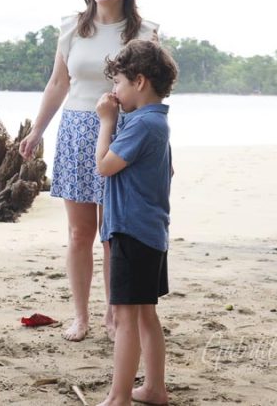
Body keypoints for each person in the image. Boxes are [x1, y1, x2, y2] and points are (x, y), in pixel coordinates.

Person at [19, 0, 159, 341]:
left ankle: (114, 317)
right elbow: (57, 85)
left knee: (114, 232)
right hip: (78, 130)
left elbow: (154, 93)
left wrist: (161, 149)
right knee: (80, 233)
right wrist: (36, 131)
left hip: (125, 130)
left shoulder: (143, 32)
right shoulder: (71, 28)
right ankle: (80, 316)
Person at [93, 39, 178, 406]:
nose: (114, 90)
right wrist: (118, 115)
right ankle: (155, 388)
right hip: (151, 232)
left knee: (126, 317)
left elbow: (104, 165)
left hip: (131, 230)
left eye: (118, 83)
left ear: (139, 81)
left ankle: (119, 397)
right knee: (145, 314)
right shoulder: (155, 122)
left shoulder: (140, 126)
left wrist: (106, 122)